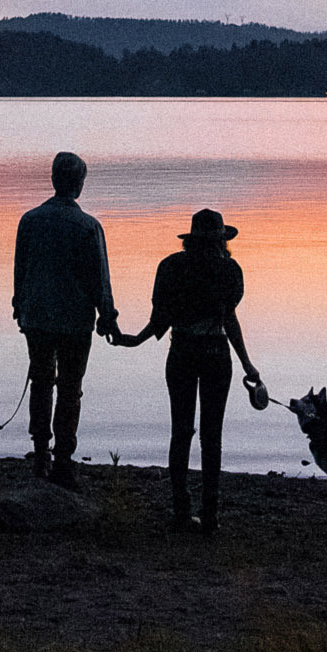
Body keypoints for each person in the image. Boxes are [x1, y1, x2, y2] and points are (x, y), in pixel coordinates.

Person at [115, 208, 262, 535]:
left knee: (181, 432)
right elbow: (229, 319)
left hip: (181, 352)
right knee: (212, 436)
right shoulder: (229, 270)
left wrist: (137, 340)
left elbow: (161, 316)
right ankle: (210, 515)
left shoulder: (171, 267)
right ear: (222, 240)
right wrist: (247, 363)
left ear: (190, 240)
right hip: (215, 354)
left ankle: (181, 512)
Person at [11, 151, 118, 488]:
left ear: (54, 180)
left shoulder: (30, 220)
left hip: (38, 317)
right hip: (74, 321)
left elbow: (20, 272)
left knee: (41, 383)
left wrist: (20, 306)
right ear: (79, 185)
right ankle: (62, 459)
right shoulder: (88, 226)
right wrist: (108, 317)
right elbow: (99, 279)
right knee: (70, 389)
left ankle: (41, 454)